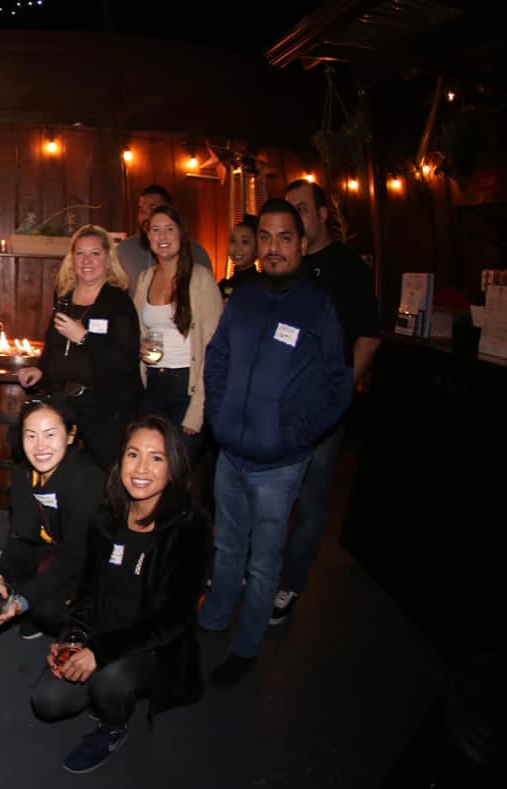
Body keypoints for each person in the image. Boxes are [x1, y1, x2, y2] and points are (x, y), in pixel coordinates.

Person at [198, 199, 352, 687]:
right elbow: (217, 358)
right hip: (231, 454)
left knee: (264, 563)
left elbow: (338, 383)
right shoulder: (242, 298)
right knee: (226, 547)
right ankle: (213, 621)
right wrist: (219, 416)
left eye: (285, 237)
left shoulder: (319, 306)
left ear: (302, 244)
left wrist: (297, 435)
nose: (273, 248)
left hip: (279, 465)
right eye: (264, 237)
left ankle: (246, 647)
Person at [31, 415, 211, 775]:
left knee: (110, 680)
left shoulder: (189, 526)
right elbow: (86, 592)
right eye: (133, 454)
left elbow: (173, 616)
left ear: (173, 468)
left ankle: (114, 725)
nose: (141, 467)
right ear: (121, 462)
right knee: (47, 700)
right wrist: (73, 638)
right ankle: (101, 686)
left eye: (156, 458)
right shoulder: (106, 519)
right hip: (100, 638)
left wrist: (99, 653)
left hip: (153, 648)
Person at [272, 179, 381, 625]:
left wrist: (338, 392)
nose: (295, 217)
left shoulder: (347, 268)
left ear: (321, 214)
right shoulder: (285, 266)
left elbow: (370, 337)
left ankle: (290, 584)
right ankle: (262, 573)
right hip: (278, 406)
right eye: (289, 210)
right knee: (274, 496)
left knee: (312, 503)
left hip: (321, 412)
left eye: (302, 208)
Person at [0, 396, 103, 639]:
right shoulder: (24, 474)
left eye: (50, 434)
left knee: (48, 611)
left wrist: (22, 602)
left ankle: (79, 624)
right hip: (52, 547)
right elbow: (21, 538)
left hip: (93, 562)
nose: (40, 446)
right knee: (4, 580)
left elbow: (75, 556)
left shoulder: (87, 480)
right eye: (31, 435)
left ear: (71, 434)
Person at [17, 225, 141, 468]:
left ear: (108, 260)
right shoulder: (64, 298)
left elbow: (125, 361)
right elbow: (54, 347)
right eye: (80, 254)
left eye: (95, 253)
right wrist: (41, 371)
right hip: (65, 404)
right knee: (61, 475)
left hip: (104, 409)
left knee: (105, 477)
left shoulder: (118, 302)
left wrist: (84, 338)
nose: (87, 260)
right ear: (72, 260)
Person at [132, 205, 223, 461]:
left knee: (178, 469)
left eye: (169, 230)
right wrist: (139, 347)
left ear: (181, 235)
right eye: (156, 230)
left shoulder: (201, 279)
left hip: (188, 388)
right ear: (147, 236)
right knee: (152, 465)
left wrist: (198, 410)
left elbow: (215, 349)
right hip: (154, 384)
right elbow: (139, 331)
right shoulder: (144, 278)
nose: (162, 237)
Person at [115, 185, 213, 286]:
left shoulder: (196, 252)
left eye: (153, 207)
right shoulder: (124, 250)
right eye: (141, 210)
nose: (146, 216)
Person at [218, 216, 262, 300]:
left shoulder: (263, 286)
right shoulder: (223, 285)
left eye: (245, 242)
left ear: (257, 250)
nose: (237, 248)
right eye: (233, 241)